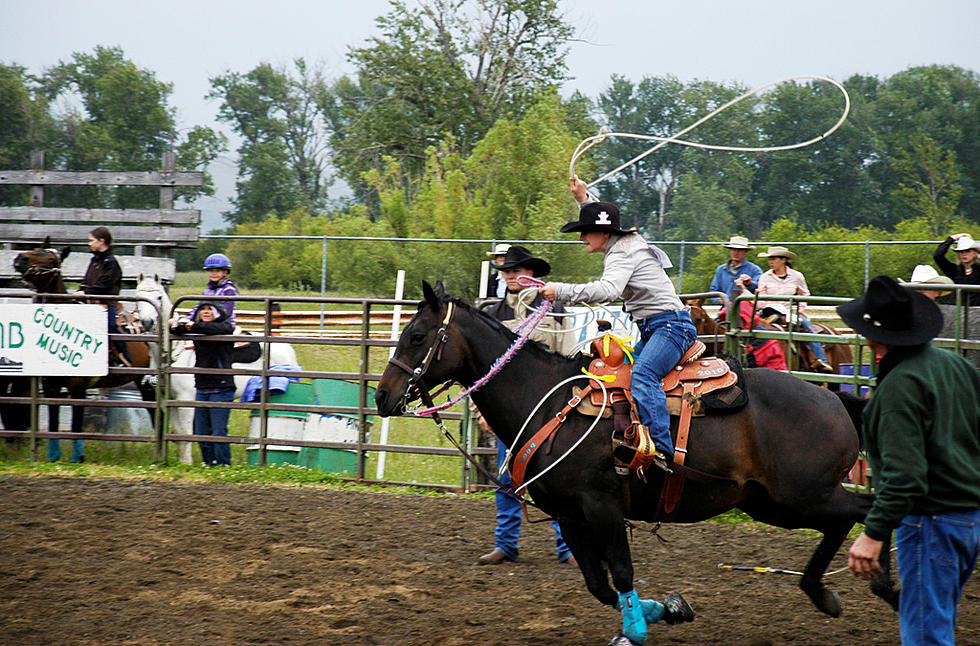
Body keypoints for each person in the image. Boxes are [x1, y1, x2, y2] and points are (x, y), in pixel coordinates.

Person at [838, 276, 980, 646]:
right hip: (967, 521)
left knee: (925, 636)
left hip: (930, 521)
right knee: (938, 621)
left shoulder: (900, 386)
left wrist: (873, 534)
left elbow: (905, 476)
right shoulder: (956, 366)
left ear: (873, 336)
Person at [539, 176, 698, 463]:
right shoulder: (624, 243)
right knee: (619, 378)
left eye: (585, 231)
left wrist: (560, 290)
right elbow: (601, 217)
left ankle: (661, 450)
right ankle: (633, 433)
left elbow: (609, 290)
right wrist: (583, 198)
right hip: (657, 327)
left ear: (602, 233)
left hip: (671, 327)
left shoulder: (622, 253)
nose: (581, 237)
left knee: (643, 375)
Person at [477, 245, 576, 567]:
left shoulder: (554, 310)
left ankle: (568, 545)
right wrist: (484, 411)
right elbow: (486, 372)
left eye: (514, 270)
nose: (509, 275)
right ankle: (506, 543)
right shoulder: (494, 316)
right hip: (508, 413)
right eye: (505, 271)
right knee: (507, 478)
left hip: (549, 412)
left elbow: (568, 358)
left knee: (558, 478)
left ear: (530, 274)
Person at [170, 301, 236, 467]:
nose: (206, 312)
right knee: (201, 431)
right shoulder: (197, 328)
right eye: (202, 310)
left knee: (219, 430)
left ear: (217, 313)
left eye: (210, 310)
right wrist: (177, 324)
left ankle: (223, 464)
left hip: (221, 386)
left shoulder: (224, 327)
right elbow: (177, 330)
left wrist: (194, 326)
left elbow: (223, 328)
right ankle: (209, 462)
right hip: (202, 386)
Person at [756, 245, 833, 373]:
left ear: (783, 260)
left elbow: (805, 294)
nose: (771, 262)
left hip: (790, 312)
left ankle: (821, 360)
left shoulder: (796, 276)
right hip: (770, 312)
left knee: (806, 325)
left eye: (774, 259)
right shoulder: (765, 277)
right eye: (770, 259)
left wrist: (799, 308)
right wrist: (766, 305)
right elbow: (760, 300)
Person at [73, 226, 132, 365]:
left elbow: (106, 283)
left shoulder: (111, 262)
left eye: (92, 240)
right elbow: (87, 280)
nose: (90, 243)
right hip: (91, 303)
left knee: (111, 326)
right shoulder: (95, 261)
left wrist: (86, 292)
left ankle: (125, 357)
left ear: (101, 241)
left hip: (106, 303)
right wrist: (80, 290)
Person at [187, 253, 239, 325]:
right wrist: (188, 319)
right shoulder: (208, 290)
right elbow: (199, 306)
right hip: (208, 322)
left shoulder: (229, 289)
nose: (214, 273)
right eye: (211, 271)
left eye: (217, 271)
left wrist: (210, 321)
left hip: (224, 323)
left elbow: (227, 311)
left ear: (225, 272)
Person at [709, 236, 762, 304]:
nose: (736, 253)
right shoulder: (721, 270)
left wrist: (749, 284)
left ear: (745, 252)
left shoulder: (755, 270)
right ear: (730, 251)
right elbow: (713, 291)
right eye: (733, 249)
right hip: (726, 308)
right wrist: (718, 300)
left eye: (739, 250)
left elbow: (760, 290)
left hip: (747, 309)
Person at [933, 233, 980, 305]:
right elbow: (938, 256)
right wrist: (952, 238)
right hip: (958, 310)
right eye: (961, 251)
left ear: (975, 253)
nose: (964, 254)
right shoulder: (954, 270)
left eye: (968, 251)